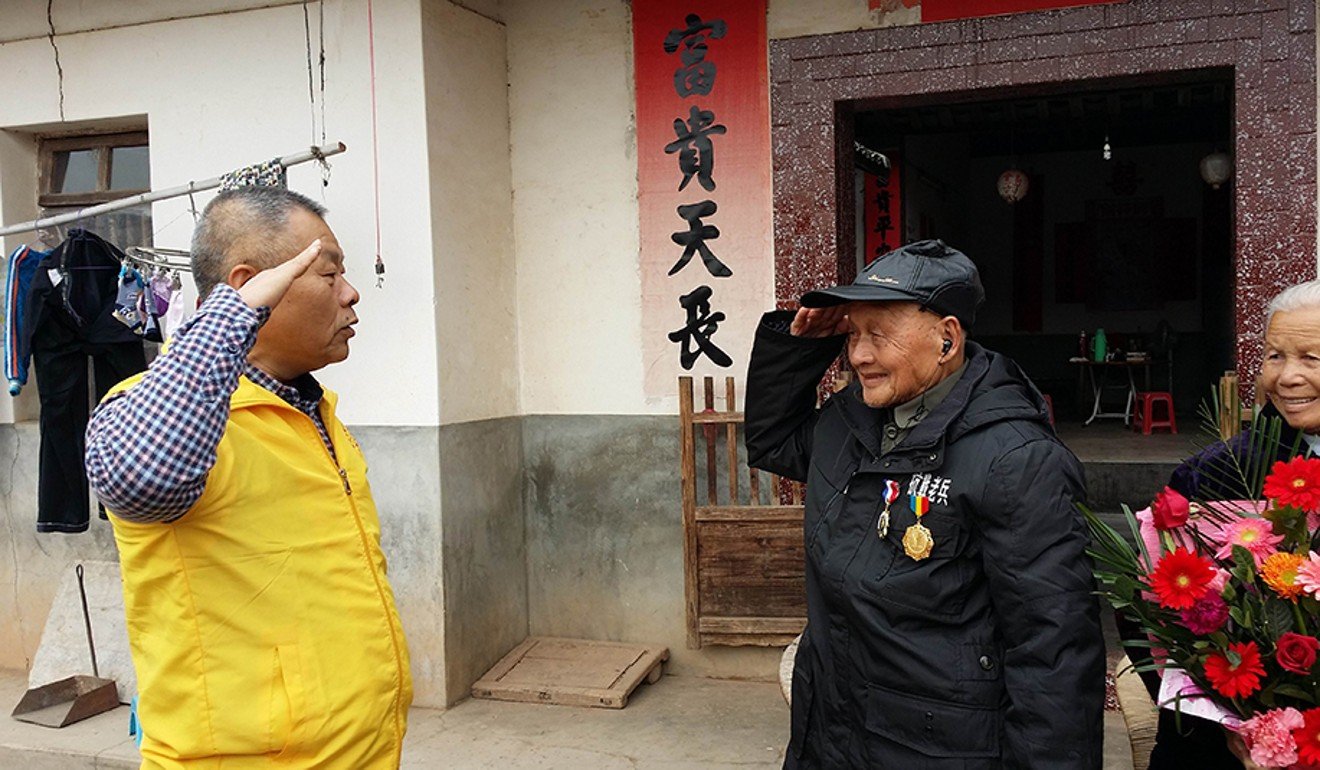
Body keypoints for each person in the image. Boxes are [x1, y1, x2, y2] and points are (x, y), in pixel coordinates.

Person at [85, 187, 412, 769]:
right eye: (329, 274)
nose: (351, 293)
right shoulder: (160, 414)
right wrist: (231, 317)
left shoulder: (315, 413)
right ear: (250, 285)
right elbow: (140, 477)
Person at [745, 239, 1105, 769]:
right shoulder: (850, 422)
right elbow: (772, 440)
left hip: (937, 747)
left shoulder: (1015, 459)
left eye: (880, 334)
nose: (859, 354)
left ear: (947, 338)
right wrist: (802, 349)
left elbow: (1054, 653)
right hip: (832, 731)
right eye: (853, 333)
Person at [1122, 278, 1320, 770]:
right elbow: (1145, 614)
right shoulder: (1215, 473)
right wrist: (1228, 722)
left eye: (1311, 358)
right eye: (1274, 356)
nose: (1287, 377)